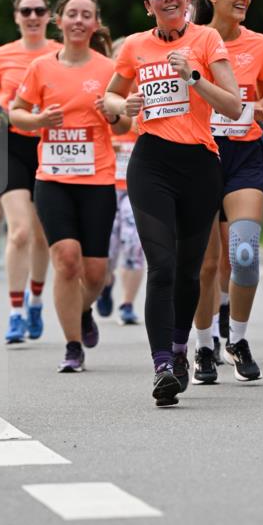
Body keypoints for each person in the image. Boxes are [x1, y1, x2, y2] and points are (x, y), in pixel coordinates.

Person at [104, 0, 240, 406]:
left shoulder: (207, 38)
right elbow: (111, 95)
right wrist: (123, 106)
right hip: (151, 163)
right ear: (148, 5)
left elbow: (234, 106)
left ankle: (181, 349)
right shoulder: (135, 47)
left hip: (200, 164)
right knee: (161, 266)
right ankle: (162, 364)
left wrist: (194, 77)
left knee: (189, 271)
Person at [11, 0, 129, 372]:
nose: (78, 21)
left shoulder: (108, 68)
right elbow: (16, 113)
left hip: (97, 179)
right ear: (59, 21)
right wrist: (39, 121)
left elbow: (127, 122)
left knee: (94, 273)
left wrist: (111, 115)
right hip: (53, 179)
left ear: (95, 24)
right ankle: (72, 346)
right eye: (72, 14)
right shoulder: (41, 67)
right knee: (66, 260)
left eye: (86, 15)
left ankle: (83, 310)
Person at [191, 0, 263, 384]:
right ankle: (204, 345)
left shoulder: (260, 44)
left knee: (243, 256)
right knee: (207, 264)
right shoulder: (188, 42)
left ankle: (238, 338)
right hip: (197, 156)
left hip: (244, 154)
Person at [0, 0, 60, 341]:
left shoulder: (58, 52)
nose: (32, 15)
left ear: (48, 15)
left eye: (39, 10)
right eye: (25, 10)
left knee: (42, 234)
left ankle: (36, 300)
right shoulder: (2, 55)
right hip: (9, 143)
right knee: (20, 231)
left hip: (49, 145)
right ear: (16, 17)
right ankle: (15, 311)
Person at [96, 37, 145, 326]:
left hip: (135, 183)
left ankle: (127, 304)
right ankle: (104, 283)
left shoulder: (146, 91)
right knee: (106, 250)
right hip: (104, 181)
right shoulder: (104, 92)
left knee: (135, 243)